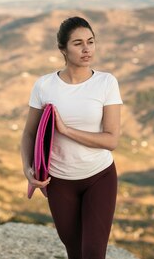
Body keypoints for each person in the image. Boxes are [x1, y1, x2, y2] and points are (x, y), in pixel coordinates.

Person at [20, 16, 123, 259]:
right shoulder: (44, 85)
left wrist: (66, 130)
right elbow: (29, 133)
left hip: (99, 177)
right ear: (63, 49)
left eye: (91, 41)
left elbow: (111, 140)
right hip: (59, 182)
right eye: (78, 43)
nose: (87, 49)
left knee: (93, 253)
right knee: (74, 251)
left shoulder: (106, 83)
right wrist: (28, 169)